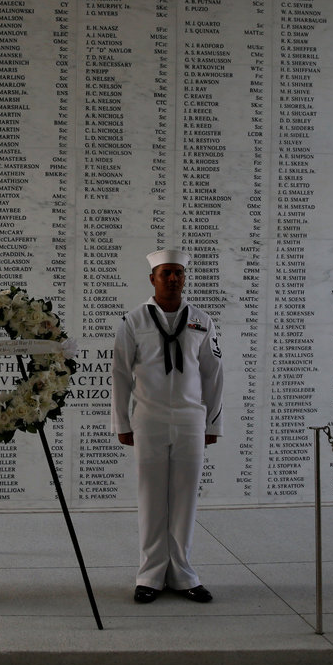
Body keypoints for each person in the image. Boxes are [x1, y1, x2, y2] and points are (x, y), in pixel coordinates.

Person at [112, 249, 224, 604]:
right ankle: (150, 575)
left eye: (178, 273)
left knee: (185, 498)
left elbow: (213, 373)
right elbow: (120, 373)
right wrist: (122, 421)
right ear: (152, 279)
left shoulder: (202, 320)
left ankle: (183, 573)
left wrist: (213, 422)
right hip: (149, 418)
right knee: (151, 497)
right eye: (166, 273)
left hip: (191, 419)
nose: (173, 278)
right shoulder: (134, 321)